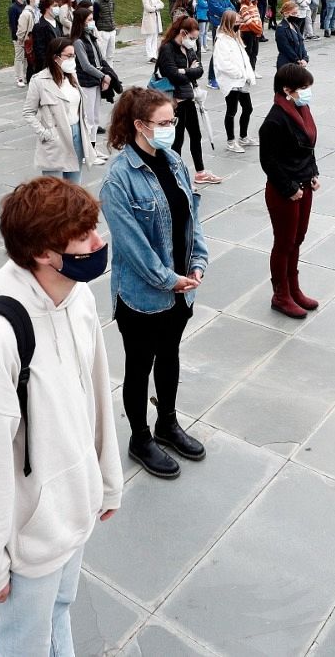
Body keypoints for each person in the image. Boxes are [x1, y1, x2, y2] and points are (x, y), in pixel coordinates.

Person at [0, 177, 122, 657]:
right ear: (44, 252)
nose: (99, 241)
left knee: (61, 612)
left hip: (75, 510)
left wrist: (105, 479)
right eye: (84, 236)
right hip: (30, 534)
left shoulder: (77, 296)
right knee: (24, 644)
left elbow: (97, 394)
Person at [100, 88, 210, 480]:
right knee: (139, 365)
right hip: (144, 295)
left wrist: (197, 261)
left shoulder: (174, 161)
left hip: (182, 286)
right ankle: (140, 437)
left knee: (170, 355)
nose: (170, 129)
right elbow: (132, 247)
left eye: (172, 122)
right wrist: (169, 280)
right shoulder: (119, 180)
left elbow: (190, 218)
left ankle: (167, 422)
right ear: (139, 126)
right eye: (164, 124)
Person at [259, 63, 321, 319]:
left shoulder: (301, 109)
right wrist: (289, 188)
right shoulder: (275, 120)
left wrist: (313, 172)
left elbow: (308, 145)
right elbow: (268, 161)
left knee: (298, 238)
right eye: (303, 88)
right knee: (284, 242)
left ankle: (294, 288)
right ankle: (281, 294)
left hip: (304, 184)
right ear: (287, 89)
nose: (307, 93)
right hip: (285, 191)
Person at [157, 17, 219, 186]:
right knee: (177, 140)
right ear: (183, 33)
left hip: (189, 97)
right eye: (192, 38)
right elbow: (172, 75)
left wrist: (185, 70)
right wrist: (188, 71)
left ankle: (200, 172)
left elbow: (199, 70)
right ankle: (175, 176)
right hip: (175, 100)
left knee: (196, 136)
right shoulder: (167, 49)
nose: (194, 42)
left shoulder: (187, 48)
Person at [22, 37, 84, 181]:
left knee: (74, 187)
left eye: (73, 55)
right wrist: (45, 133)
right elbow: (28, 112)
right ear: (55, 57)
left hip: (76, 133)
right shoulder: (39, 80)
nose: (72, 59)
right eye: (68, 56)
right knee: (54, 190)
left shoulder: (72, 76)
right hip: (56, 136)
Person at [70, 7, 114, 167]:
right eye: (88, 20)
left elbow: (99, 59)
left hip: (95, 81)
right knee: (87, 118)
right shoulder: (78, 41)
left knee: (95, 117)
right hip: (86, 82)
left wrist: (105, 74)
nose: (91, 23)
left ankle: (93, 148)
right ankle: (86, 152)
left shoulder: (91, 37)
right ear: (81, 22)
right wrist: (102, 76)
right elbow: (85, 65)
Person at [213, 9, 256, 153]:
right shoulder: (222, 41)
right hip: (232, 81)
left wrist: (247, 74)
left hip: (241, 80)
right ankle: (230, 141)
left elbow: (244, 59)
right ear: (229, 23)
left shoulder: (235, 37)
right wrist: (238, 74)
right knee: (232, 110)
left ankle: (243, 136)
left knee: (248, 108)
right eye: (237, 22)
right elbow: (223, 63)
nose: (239, 24)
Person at [274, 1, 308, 68]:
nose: (296, 15)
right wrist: (297, 60)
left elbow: (301, 44)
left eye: (297, 13)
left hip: (298, 63)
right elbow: (285, 48)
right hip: (287, 64)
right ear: (286, 14)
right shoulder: (281, 28)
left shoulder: (295, 25)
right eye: (294, 13)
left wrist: (305, 58)